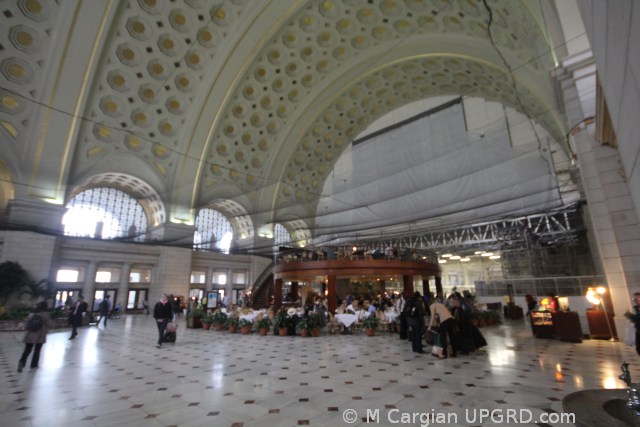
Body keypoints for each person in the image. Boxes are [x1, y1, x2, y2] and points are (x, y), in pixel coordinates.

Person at [18, 301, 52, 372]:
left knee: (27, 350)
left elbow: (27, 323)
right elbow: (48, 324)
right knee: (37, 350)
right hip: (40, 334)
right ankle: (34, 365)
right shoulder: (45, 314)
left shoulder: (31, 313)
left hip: (30, 333)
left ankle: (21, 361)